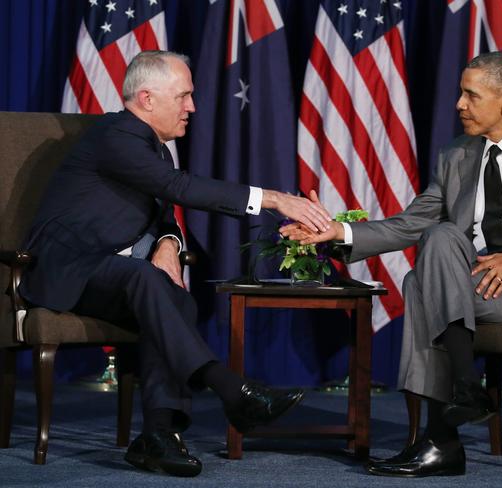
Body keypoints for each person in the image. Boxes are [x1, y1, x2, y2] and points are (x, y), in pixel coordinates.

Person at [281, 52, 502, 477]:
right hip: (472, 283)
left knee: (421, 286)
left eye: (470, 95)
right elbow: (413, 223)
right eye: (461, 93)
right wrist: (340, 234)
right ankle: (462, 391)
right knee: (438, 240)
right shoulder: (457, 155)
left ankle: (440, 439)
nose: (459, 104)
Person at [18, 50, 332, 478]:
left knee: (174, 297)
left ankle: (159, 436)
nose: (192, 108)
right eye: (184, 96)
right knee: (146, 281)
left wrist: (167, 241)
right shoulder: (117, 134)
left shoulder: (154, 151)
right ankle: (230, 387)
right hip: (66, 269)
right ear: (147, 98)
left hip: (116, 275)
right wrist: (275, 199)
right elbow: (177, 187)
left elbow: (166, 212)